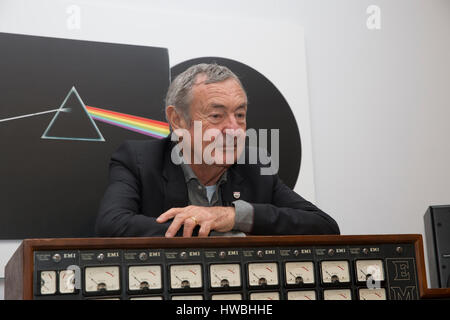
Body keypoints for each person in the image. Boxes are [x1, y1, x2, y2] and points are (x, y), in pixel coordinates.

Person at [95, 63, 340, 237]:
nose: (233, 129)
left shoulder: (255, 167)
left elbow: (324, 226)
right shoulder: (138, 160)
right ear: (178, 120)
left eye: (240, 115)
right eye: (216, 115)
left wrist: (231, 217)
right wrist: (210, 229)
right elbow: (112, 225)